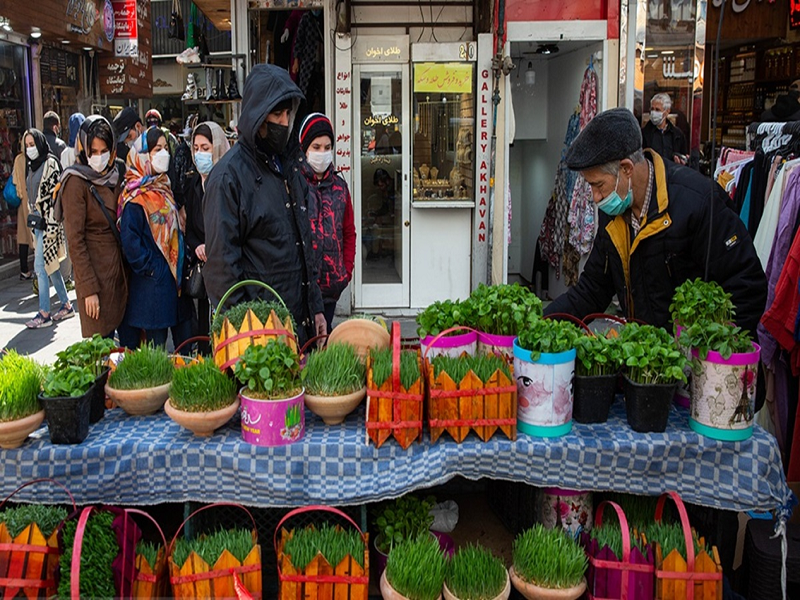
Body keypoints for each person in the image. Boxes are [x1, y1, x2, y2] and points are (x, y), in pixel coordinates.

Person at [544, 107, 767, 337]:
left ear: (626, 168)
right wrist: (540, 325)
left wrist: (706, 351)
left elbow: (747, 285)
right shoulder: (614, 211)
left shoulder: (698, 203)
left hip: (693, 361)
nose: (595, 197)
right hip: (645, 362)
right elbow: (592, 289)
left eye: (598, 185)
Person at [204, 63, 325, 347]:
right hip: (259, 337)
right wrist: (248, 339)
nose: (284, 122)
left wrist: (315, 307)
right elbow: (222, 272)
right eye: (276, 114)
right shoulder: (228, 178)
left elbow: (303, 245)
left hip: (298, 325)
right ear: (257, 115)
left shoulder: (290, 167)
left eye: (287, 114)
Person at [57, 115, 128, 339]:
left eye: (103, 150)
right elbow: (75, 241)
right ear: (84, 149)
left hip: (122, 273)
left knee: (129, 354)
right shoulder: (76, 181)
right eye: (93, 151)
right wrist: (88, 290)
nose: (98, 157)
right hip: (96, 277)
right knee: (102, 352)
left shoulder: (117, 172)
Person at [118, 127, 186, 348]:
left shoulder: (164, 186)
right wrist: (153, 268)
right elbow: (130, 242)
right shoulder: (135, 196)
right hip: (151, 286)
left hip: (171, 283)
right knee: (156, 349)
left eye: (166, 148)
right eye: (157, 149)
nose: (163, 153)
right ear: (143, 155)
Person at [297, 113, 356, 333]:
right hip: (301, 290)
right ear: (304, 149)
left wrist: (346, 271)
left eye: (327, 146)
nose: (322, 153)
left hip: (331, 288)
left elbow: (349, 232)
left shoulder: (340, 188)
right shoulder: (294, 186)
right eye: (316, 146)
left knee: (325, 343)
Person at [183, 121, 230, 353]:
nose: (200, 154)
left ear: (218, 147)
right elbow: (190, 228)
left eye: (206, 147)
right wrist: (198, 245)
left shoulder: (230, 181)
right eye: (196, 148)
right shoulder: (193, 185)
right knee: (205, 334)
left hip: (226, 273)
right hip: (204, 275)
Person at [22, 129, 73, 329]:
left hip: (48, 224)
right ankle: (66, 304)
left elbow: (54, 197)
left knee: (40, 268)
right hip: (37, 223)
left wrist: (52, 225)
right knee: (50, 267)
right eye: (26, 145)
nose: (30, 148)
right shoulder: (31, 165)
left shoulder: (50, 164)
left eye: (32, 144)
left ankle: (44, 312)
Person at [641, 93, 687, 165]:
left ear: (667, 111)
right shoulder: (644, 133)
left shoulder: (677, 135)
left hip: (672, 173)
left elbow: (684, 156)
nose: (654, 113)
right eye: (652, 109)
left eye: (657, 110)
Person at [11, 151, 34, 281]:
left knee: (24, 238)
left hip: (22, 201)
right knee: (37, 235)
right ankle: (39, 269)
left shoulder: (18, 159)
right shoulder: (37, 158)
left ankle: (24, 269)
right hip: (33, 200)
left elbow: (15, 179)